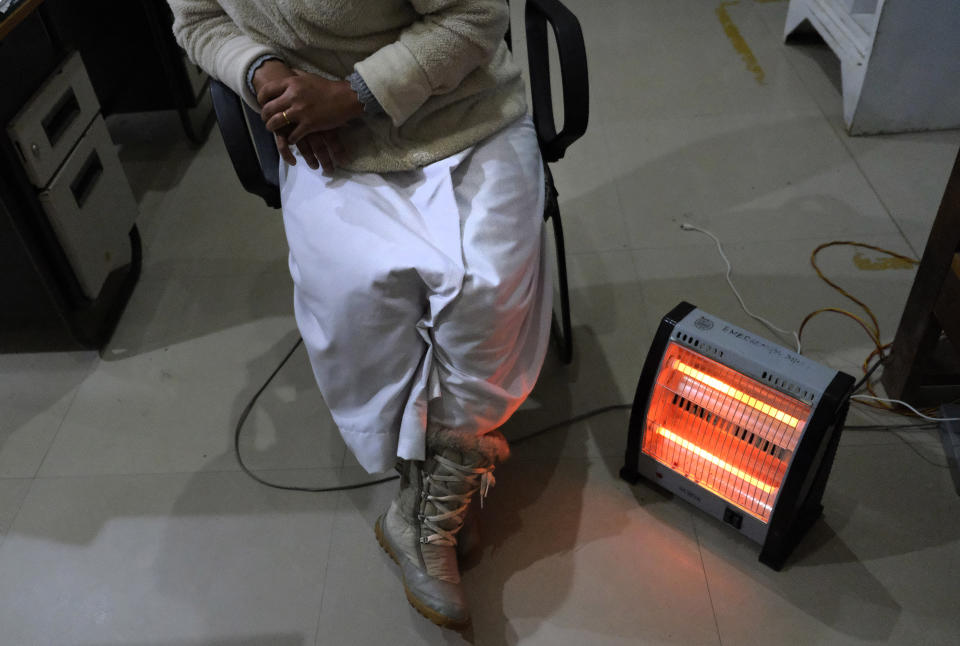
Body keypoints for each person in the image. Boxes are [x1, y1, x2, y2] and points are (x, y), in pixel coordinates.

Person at [169, 0, 552, 628]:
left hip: (462, 111)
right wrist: (272, 84)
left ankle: (434, 492)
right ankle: (421, 483)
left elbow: (475, 15)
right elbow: (199, 20)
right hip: (320, 135)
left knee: (488, 292)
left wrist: (352, 95)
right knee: (353, 296)